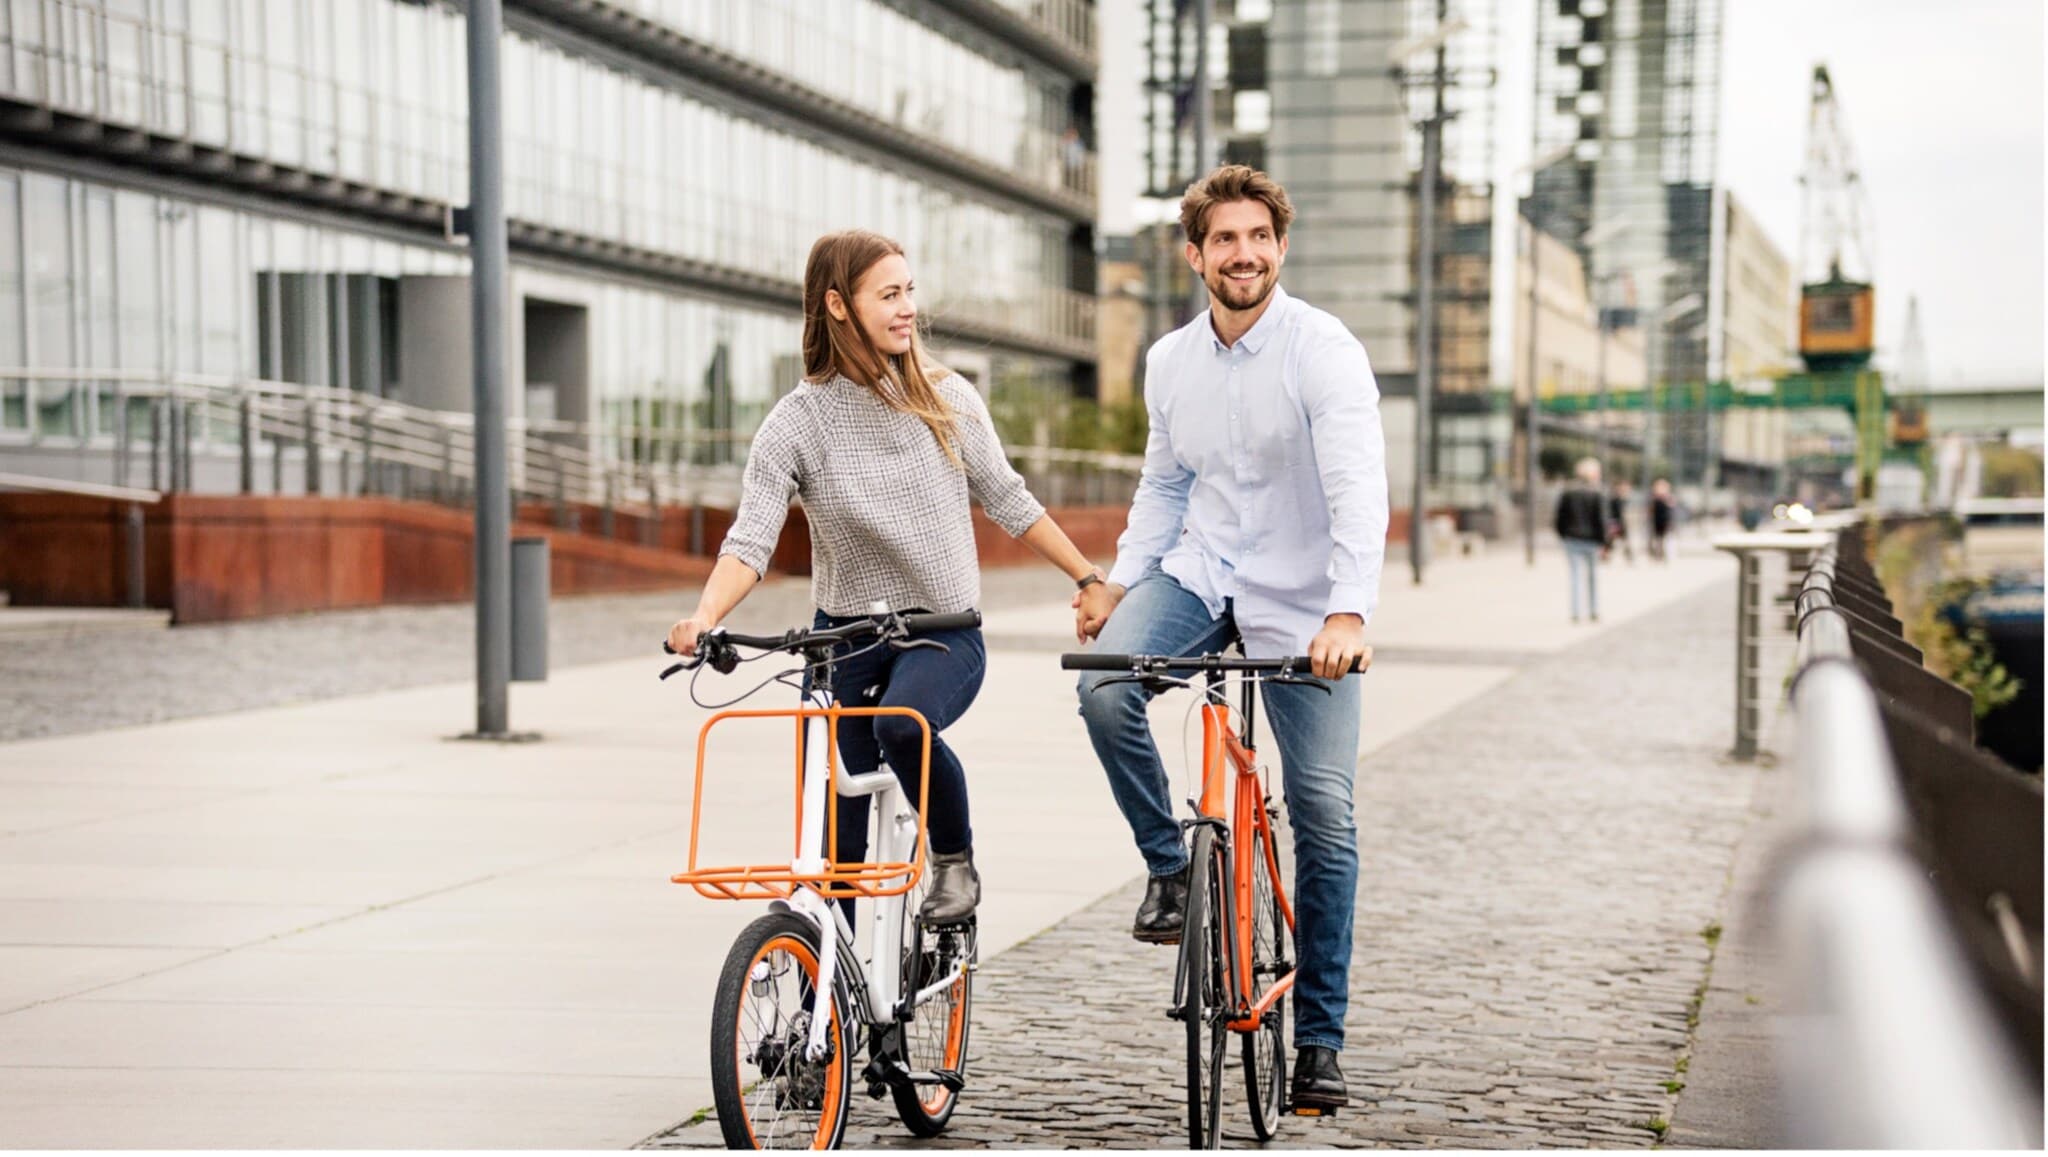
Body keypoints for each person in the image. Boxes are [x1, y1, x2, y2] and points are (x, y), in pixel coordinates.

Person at [667, 230, 1102, 925]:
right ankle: (828, 976)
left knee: (902, 726)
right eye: (889, 295)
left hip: (941, 633)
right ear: (838, 305)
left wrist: (1087, 577)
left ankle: (953, 860)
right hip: (842, 638)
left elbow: (1009, 499)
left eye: (909, 292)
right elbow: (749, 541)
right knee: (833, 841)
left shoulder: (947, 399)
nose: (908, 309)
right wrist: (705, 615)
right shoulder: (794, 423)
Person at [1072, 165, 1387, 1112]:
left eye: (1258, 237)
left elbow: (1357, 489)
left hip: (1306, 600)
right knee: (1104, 686)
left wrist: (1348, 612)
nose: (1242, 254)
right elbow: (1165, 485)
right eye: (1224, 239)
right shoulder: (1170, 361)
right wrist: (1121, 581)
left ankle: (1319, 1039)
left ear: (1280, 247)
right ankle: (1172, 872)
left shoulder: (1323, 350)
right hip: (1203, 572)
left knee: (1324, 811)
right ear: (1195, 254)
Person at [1555, 457, 1609, 622]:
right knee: (1592, 577)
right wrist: (1604, 542)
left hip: (1572, 539)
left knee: (1575, 576)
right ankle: (1594, 610)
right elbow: (1601, 520)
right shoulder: (1597, 493)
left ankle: (1576, 612)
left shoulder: (1568, 492)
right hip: (1592, 540)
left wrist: (1564, 535)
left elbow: (1559, 518)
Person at [1607, 478, 1635, 563]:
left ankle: (1629, 556)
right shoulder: (1615, 499)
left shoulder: (1622, 498)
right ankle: (1606, 554)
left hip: (1621, 523)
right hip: (1615, 522)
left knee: (1624, 540)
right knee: (1611, 540)